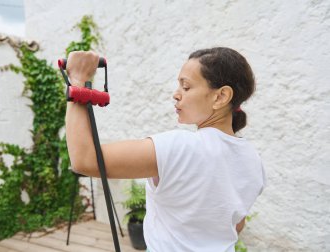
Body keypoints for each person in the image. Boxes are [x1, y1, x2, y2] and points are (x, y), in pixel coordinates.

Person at [65, 47, 266, 252]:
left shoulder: (178, 147)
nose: (176, 94)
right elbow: (237, 224)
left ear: (221, 96)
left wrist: (79, 80)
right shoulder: (252, 158)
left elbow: (84, 160)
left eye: (186, 87)